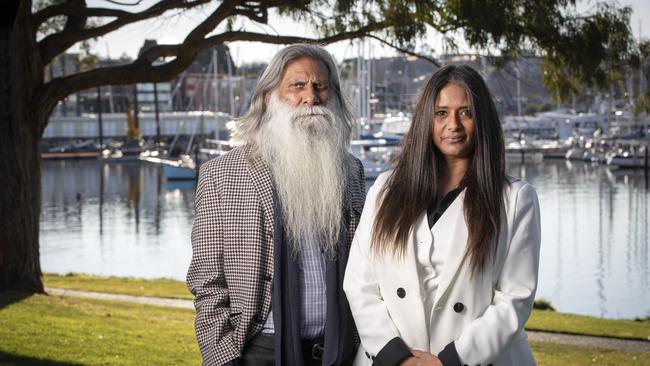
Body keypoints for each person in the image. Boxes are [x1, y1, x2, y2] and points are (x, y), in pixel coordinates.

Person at [343, 65, 541, 366]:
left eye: (465, 112)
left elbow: (515, 301)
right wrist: (397, 357)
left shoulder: (516, 200)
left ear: (482, 119)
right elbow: (359, 284)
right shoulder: (385, 189)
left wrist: (448, 361)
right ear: (426, 120)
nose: (453, 125)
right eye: (441, 113)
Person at [187, 44, 365, 366]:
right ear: (270, 96)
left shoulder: (351, 171)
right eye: (297, 86)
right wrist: (222, 357)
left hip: (340, 351)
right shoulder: (221, 174)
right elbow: (207, 278)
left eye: (320, 86)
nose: (310, 98)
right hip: (257, 351)